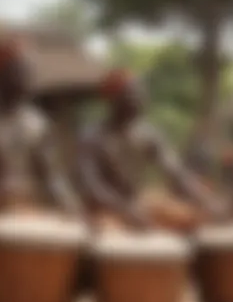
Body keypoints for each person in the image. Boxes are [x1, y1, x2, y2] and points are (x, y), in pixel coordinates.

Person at [77, 69, 224, 228]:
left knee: (199, 218)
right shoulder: (92, 137)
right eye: (132, 96)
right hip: (104, 209)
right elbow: (92, 186)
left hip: (137, 202)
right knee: (112, 235)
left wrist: (204, 198)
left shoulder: (147, 135)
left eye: (141, 96)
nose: (140, 101)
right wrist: (124, 209)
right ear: (114, 101)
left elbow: (176, 171)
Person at [0, 41, 81, 214]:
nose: (25, 79)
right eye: (18, 72)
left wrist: (72, 207)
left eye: (28, 73)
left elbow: (52, 176)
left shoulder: (38, 124)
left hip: (24, 211)